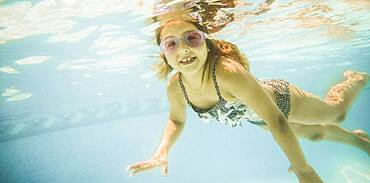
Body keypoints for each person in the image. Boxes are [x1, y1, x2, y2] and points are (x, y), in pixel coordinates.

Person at [126, 13, 369, 182]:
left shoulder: (226, 72)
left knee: (336, 114)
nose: (184, 49)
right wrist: (162, 150)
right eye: (171, 44)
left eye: (192, 38)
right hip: (257, 117)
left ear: (206, 43)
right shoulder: (175, 87)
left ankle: (355, 79)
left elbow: (276, 120)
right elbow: (176, 121)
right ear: (164, 55)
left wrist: (303, 170)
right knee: (315, 134)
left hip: (279, 102)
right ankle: (360, 140)